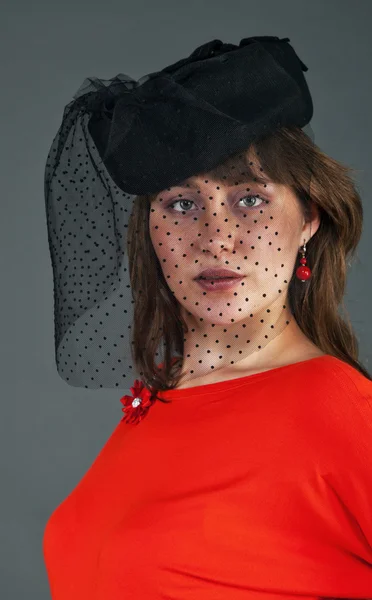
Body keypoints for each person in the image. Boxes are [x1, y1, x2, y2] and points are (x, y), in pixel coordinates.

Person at [42, 36, 372, 598]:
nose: (216, 237)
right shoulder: (160, 401)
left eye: (250, 199)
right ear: (148, 231)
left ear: (310, 219)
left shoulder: (344, 414)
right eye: (181, 204)